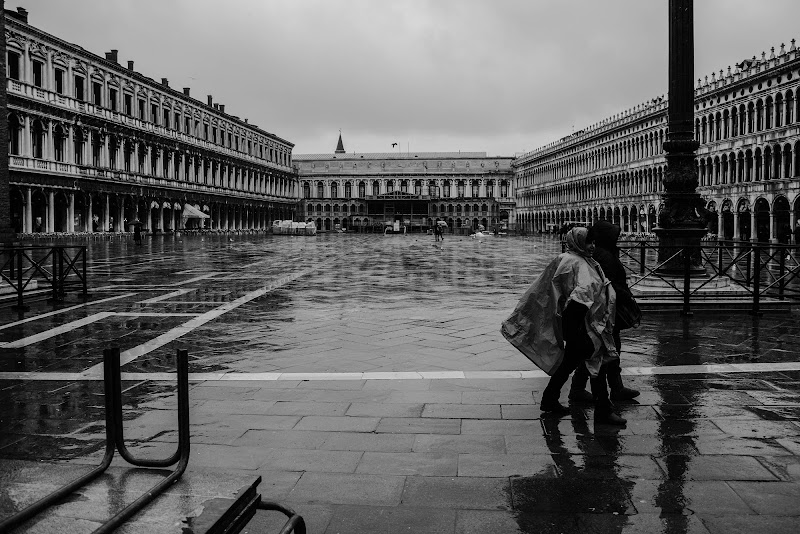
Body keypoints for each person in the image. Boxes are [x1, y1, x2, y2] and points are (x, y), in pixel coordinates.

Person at [501, 227, 626, 425]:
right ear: (578, 242)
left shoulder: (568, 258)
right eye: (588, 242)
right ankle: (603, 411)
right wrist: (575, 333)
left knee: (569, 363)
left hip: (579, 325)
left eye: (593, 242)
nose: (592, 246)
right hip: (585, 326)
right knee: (598, 365)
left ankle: (550, 399)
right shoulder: (579, 263)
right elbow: (580, 298)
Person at [569, 221, 640, 404]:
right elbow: (606, 283)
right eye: (614, 236)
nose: (616, 239)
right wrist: (625, 296)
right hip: (605, 310)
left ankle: (615, 388)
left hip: (605, 309)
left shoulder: (601, 253)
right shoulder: (604, 256)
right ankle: (582, 389)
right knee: (600, 350)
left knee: (607, 349)